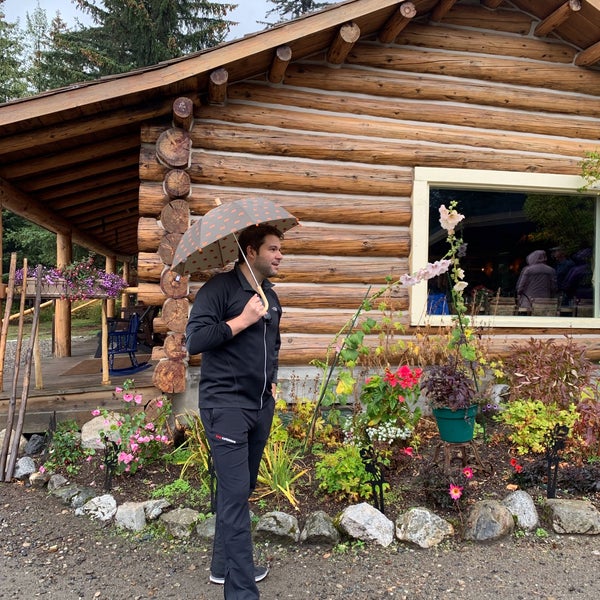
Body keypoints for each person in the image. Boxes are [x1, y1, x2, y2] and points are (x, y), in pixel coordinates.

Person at [185, 224, 284, 599]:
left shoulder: (269, 296)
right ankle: (241, 592)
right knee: (234, 494)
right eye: (273, 249)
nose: (279, 256)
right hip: (225, 405)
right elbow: (195, 340)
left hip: (260, 405)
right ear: (250, 250)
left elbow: (271, 345)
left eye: (280, 250)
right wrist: (242, 319)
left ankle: (221, 566)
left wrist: (271, 380)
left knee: (239, 492)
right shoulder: (218, 290)